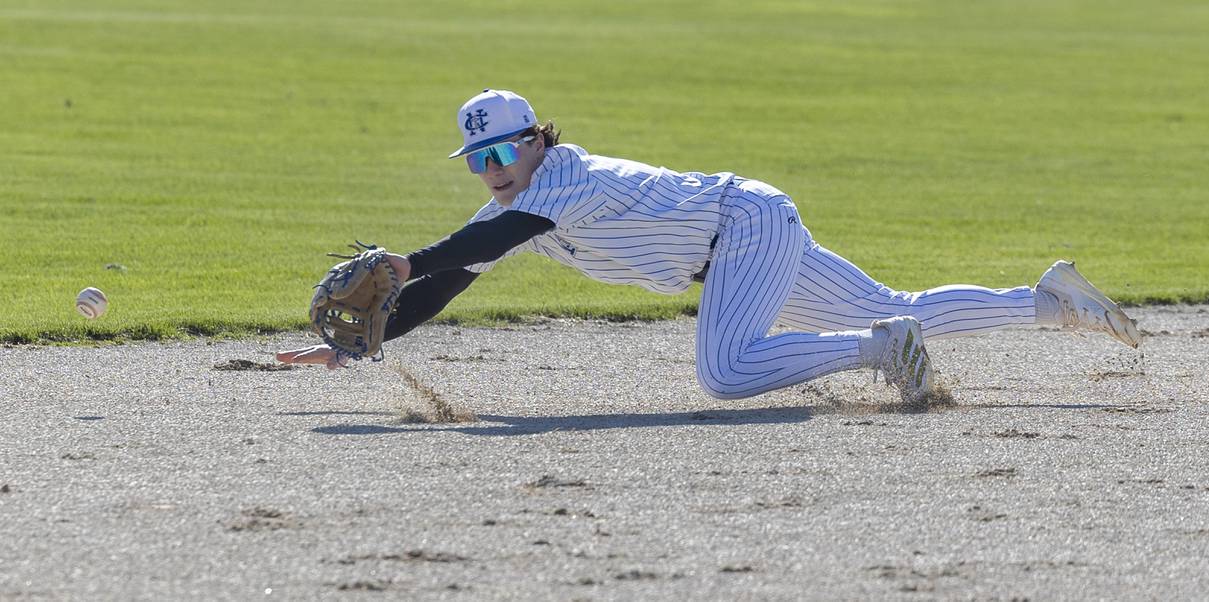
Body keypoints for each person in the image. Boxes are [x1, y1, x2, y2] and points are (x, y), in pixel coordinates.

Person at [277, 89, 1141, 402]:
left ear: (537, 139)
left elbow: (500, 234)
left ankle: (882, 353)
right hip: (745, 228)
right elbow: (458, 273)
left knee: (727, 372)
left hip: (744, 227)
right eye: (479, 159)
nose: (493, 169)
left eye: (503, 150)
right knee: (898, 306)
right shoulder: (519, 201)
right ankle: (1049, 299)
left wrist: (403, 262)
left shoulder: (563, 181)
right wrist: (370, 339)